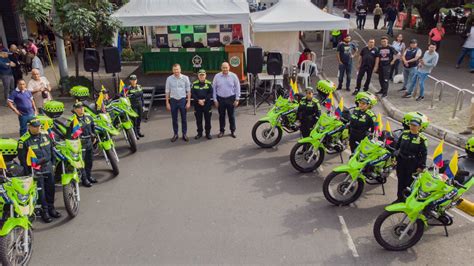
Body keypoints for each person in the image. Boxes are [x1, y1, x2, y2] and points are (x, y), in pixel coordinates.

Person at [17, 117, 60, 223]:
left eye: (39, 126)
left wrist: (54, 164)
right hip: (36, 170)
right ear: (29, 127)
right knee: (41, 192)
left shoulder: (45, 135)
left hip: (48, 167)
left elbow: (52, 151)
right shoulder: (23, 141)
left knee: (51, 189)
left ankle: (51, 208)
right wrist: (30, 174)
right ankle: (44, 211)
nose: (37, 128)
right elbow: (23, 160)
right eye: (35, 127)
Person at [394, 116, 428, 202]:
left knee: (408, 183)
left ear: (419, 127)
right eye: (411, 124)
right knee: (400, 180)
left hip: (412, 163)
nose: (412, 127)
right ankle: (399, 199)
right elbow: (397, 147)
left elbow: (424, 154)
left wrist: (421, 166)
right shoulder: (404, 134)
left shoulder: (422, 139)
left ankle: (406, 200)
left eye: (415, 125)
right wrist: (394, 157)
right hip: (401, 161)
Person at [66, 102, 96, 187]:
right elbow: (68, 135)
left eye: (82, 107)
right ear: (75, 110)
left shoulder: (88, 117)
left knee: (89, 160)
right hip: (80, 143)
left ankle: (89, 176)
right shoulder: (71, 120)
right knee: (81, 162)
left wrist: (94, 137)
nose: (81, 109)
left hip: (89, 141)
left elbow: (93, 127)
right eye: (79, 108)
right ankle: (84, 179)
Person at [213, 62, 241, 138]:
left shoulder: (233, 76)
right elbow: (214, 89)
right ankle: (222, 131)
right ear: (221, 68)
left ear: (229, 67)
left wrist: (237, 99)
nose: (225, 69)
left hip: (231, 99)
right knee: (221, 116)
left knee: (231, 116)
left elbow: (238, 88)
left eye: (226, 67)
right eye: (223, 67)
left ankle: (233, 131)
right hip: (220, 99)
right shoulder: (217, 76)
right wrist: (215, 100)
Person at [165, 64, 191, 142]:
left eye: (177, 69)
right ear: (172, 70)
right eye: (174, 69)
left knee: (184, 118)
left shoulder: (185, 78)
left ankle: (184, 134)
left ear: (180, 69)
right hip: (173, 101)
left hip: (182, 100)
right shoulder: (169, 79)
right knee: (174, 119)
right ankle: (175, 134)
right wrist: (167, 103)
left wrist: (188, 102)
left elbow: (188, 91)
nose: (176, 71)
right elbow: (167, 91)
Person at [191, 69, 213, 140]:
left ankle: (208, 133)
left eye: (203, 75)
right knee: (198, 120)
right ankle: (199, 133)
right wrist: (198, 100)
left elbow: (210, 93)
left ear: (205, 75)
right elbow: (193, 94)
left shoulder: (209, 84)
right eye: (200, 75)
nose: (201, 76)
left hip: (207, 105)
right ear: (198, 76)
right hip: (197, 105)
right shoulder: (194, 84)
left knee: (208, 120)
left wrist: (204, 100)